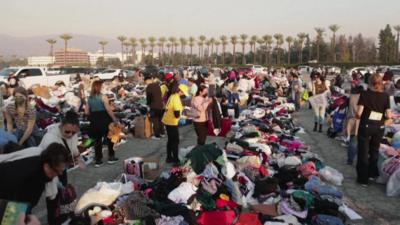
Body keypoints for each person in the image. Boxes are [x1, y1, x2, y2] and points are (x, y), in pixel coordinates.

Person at [0, 143, 69, 210]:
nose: (58, 175)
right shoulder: (29, 177)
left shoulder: (40, 159)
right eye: (56, 171)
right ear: (47, 166)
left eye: (62, 171)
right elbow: (15, 209)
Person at [356, 74, 392, 187]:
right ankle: (372, 174)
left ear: (369, 82)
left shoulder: (365, 94)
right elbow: (389, 114)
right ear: (381, 83)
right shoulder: (385, 96)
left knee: (363, 151)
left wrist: (357, 117)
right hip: (379, 127)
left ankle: (363, 179)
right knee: (374, 150)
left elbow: (359, 113)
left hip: (366, 126)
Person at [39, 110, 82, 182]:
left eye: (74, 132)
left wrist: (78, 158)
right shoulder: (50, 138)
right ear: (61, 126)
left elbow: (74, 147)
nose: (70, 135)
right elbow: (49, 164)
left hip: (61, 166)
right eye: (67, 132)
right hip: (50, 168)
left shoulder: (72, 132)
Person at [85, 80, 118, 167]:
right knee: (110, 138)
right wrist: (114, 118)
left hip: (94, 120)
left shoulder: (89, 98)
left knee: (97, 140)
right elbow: (108, 109)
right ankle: (111, 157)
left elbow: (86, 111)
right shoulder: (103, 97)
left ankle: (98, 160)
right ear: (99, 87)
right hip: (104, 119)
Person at [162, 84, 189, 164]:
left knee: (170, 140)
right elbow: (177, 114)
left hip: (167, 120)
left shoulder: (172, 95)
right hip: (172, 122)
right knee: (175, 141)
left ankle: (169, 157)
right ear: (180, 91)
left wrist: (183, 108)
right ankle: (175, 159)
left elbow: (173, 108)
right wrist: (185, 117)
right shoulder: (176, 99)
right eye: (183, 93)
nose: (184, 95)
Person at [345, 86, 363, 165]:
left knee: (353, 140)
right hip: (359, 120)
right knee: (356, 142)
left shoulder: (350, 97)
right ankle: (356, 159)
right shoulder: (362, 97)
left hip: (350, 120)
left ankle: (350, 159)